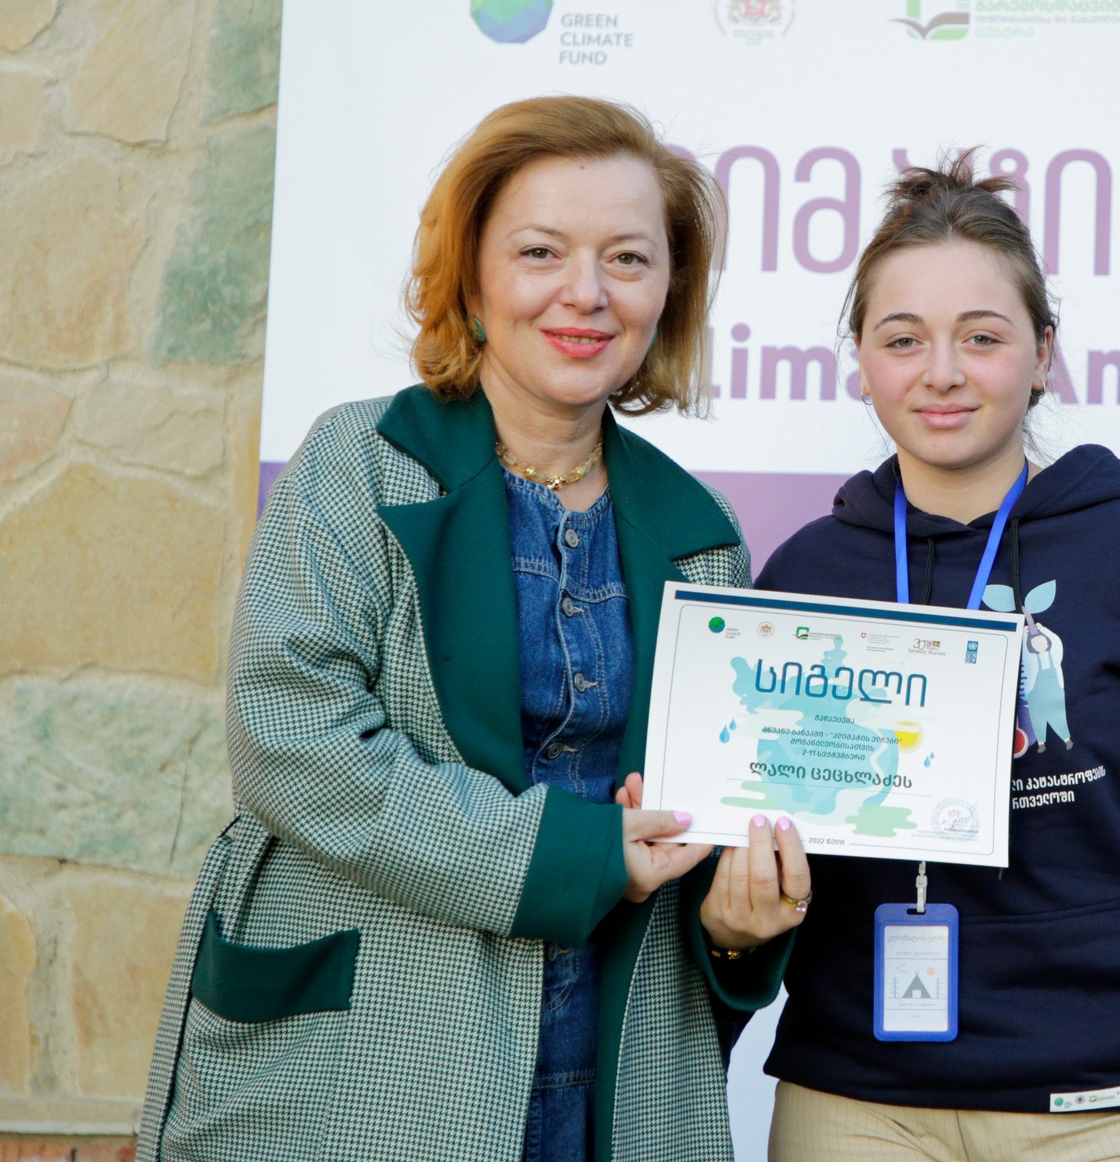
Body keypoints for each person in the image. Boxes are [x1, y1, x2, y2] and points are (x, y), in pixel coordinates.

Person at [137, 96, 810, 1162]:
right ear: (472, 276)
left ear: (668, 290)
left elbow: (694, 826)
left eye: (628, 258)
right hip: (372, 1063)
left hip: (611, 1071)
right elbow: (293, 742)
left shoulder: (704, 534)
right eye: (541, 251)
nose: (586, 292)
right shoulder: (356, 465)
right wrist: (574, 855)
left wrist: (734, 929)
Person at [752, 154, 1120, 1161]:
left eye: (982, 336)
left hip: (1112, 1102)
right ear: (860, 360)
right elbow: (750, 847)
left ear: (1043, 353)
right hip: (856, 1098)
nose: (941, 372)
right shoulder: (802, 578)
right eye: (902, 339)